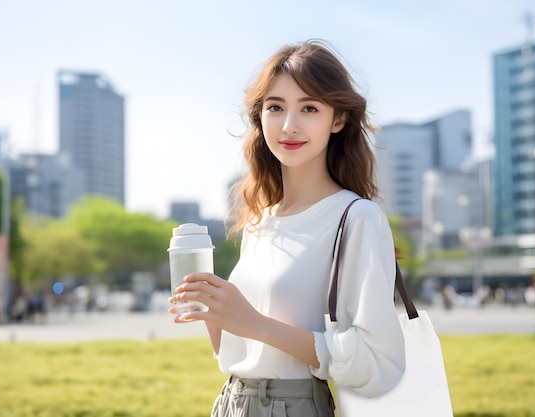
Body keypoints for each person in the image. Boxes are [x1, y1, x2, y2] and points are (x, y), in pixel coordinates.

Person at [169, 40, 405, 417]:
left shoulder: (356, 217)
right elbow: (235, 351)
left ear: (338, 119)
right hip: (231, 402)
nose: (289, 125)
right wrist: (212, 309)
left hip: (293, 406)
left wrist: (256, 324)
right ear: (259, 117)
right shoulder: (260, 220)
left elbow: (377, 363)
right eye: (275, 107)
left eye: (309, 108)